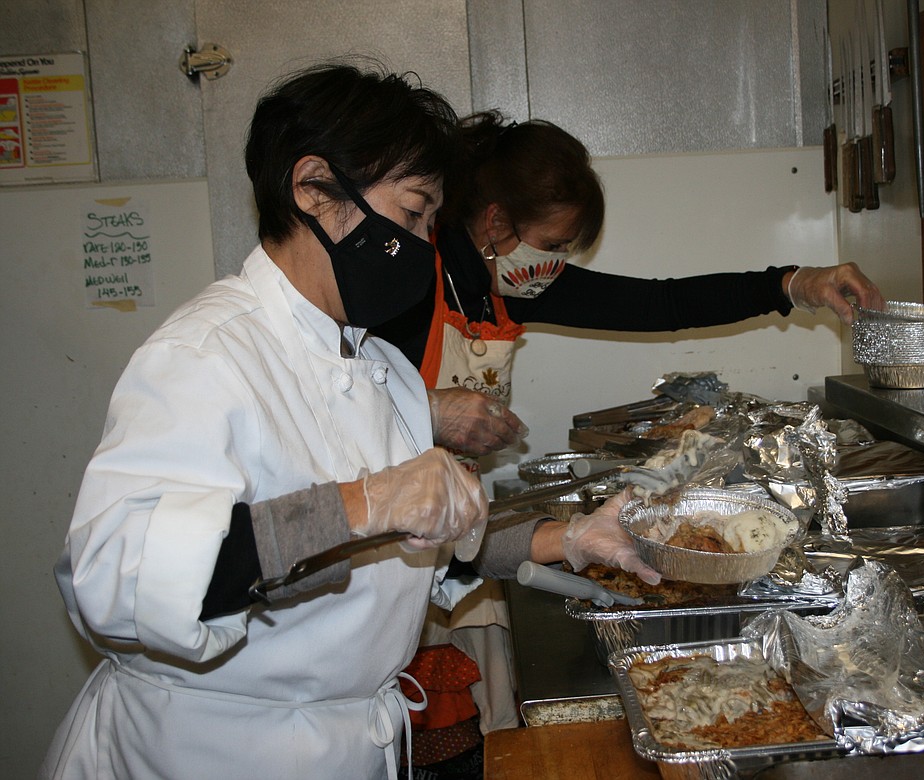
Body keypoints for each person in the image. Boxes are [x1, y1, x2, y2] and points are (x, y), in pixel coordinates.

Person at [39, 61, 656, 780]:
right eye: (411, 213)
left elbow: (437, 547)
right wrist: (364, 502)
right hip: (209, 751)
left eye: (432, 222)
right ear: (313, 189)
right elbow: (118, 577)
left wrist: (573, 539)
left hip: (343, 742)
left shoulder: (375, 365)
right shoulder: (207, 355)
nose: (426, 248)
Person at [373, 110, 886, 457]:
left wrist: (794, 285)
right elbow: (337, 399)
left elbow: (661, 304)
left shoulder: (509, 286)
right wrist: (433, 411)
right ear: (496, 222)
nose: (553, 267)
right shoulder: (408, 278)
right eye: (552, 246)